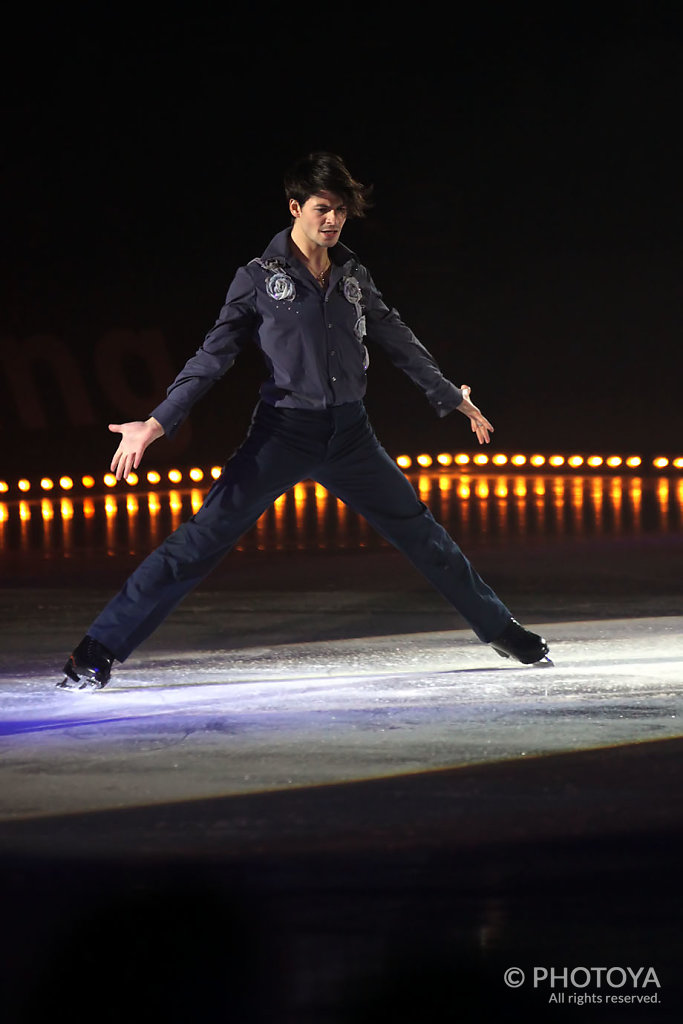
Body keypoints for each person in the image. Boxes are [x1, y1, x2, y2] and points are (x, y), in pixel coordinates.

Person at [59, 152, 551, 690]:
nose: (333, 220)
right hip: (283, 433)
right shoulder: (257, 278)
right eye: (322, 208)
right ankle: (98, 647)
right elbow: (212, 357)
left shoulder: (353, 276)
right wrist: (156, 422)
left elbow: (397, 338)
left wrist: (448, 395)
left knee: (424, 535)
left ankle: (502, 629)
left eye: (341, 210)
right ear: (295, 206)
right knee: (200, 541)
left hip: (351, 436)